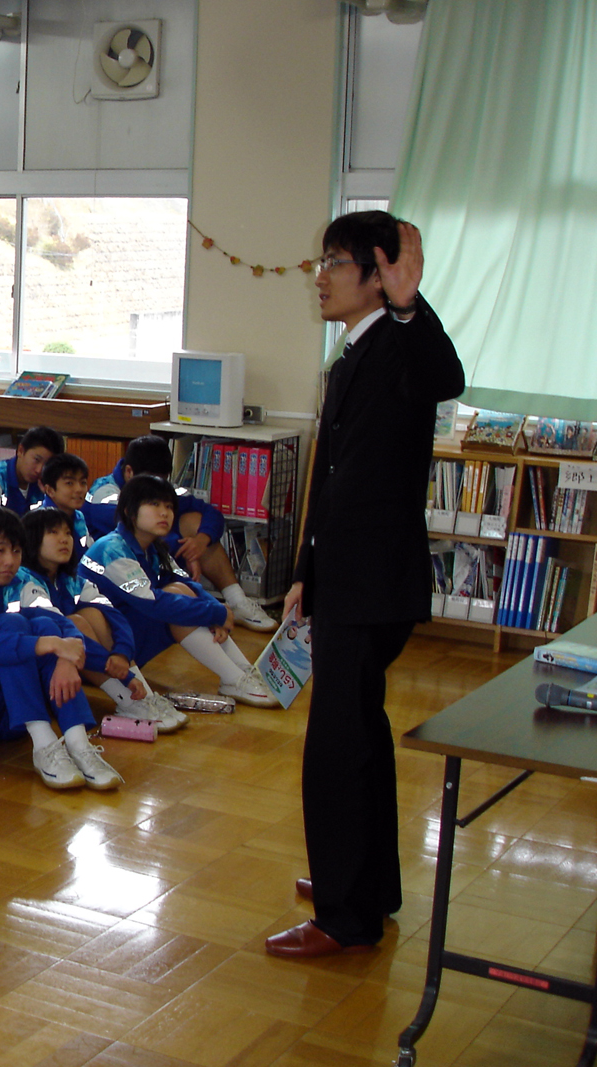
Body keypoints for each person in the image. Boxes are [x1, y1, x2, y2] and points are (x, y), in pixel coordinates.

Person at [266, 214, 465, 960]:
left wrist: (412, 304)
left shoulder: (399, 343)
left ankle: (345, 917)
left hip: (373, 583)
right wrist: (304, 578)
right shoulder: (355, 350)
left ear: (378, 273)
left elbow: (446, 378)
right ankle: (366, 883)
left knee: (336, 748)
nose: (319, 275)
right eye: (319, 261)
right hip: (347, 577)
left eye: (335, 262)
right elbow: (334, 477)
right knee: (360, 736)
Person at [0, 506, 122, 791]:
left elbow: (60, 624)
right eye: (0, 551)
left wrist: (67, 658)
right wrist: (50, 645)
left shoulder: (23, 580)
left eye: (17, 552)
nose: (10, 561)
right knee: (12, 626)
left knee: (43, 623)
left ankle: (79, 745)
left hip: (13, 717)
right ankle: (44, 745)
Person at [81, 475, 275, 707]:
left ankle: (242, 672)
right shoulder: (111, 549)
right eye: (154, 504)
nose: (164, 513)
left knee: (181, 592)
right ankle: (233, 679)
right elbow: (154, 602)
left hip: (128, 637)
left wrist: (214, 611)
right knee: (177, 603)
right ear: (130, 511)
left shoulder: (153, 546)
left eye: (169, 506)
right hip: (106, 655)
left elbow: (186, 582)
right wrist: (216, 614)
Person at [18, 507, 185, 732]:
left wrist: (121, 654)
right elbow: (61, 630)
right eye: (53, 533)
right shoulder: (24, 579)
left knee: (94, 613)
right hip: (34, 667)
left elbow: (113, 613)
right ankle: (128, 699)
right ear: (32, 539)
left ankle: (143, 696)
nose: (64, 540)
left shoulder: (69, 578)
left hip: (77, 659)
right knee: (76, 622)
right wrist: (121, 673)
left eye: (68, 533)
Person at [86, 435, 275, 631]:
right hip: (122, 574)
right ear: (129, 472)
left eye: (163, 481)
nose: (158, 492)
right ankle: (209, 613)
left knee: (195, 522)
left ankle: (236, 600)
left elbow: (211, 514)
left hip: (159, 562)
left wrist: (201, 541)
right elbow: (143, 534)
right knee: (179, 595)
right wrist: (184, 549)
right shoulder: (105, 494)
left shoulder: (158, 486)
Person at [0, 426, 63, 514]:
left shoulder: (46, 483)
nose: (39, 470)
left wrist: (50, 497)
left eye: (47, 464)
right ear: (20, 451)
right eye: (36, 460)